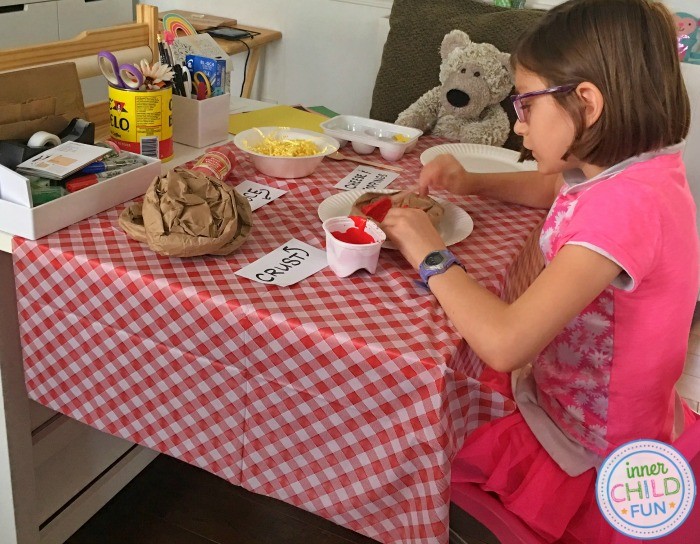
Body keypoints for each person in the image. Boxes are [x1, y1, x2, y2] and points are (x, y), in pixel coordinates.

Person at [380, 0, 699, 542]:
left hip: (594, 443)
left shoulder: (624, 211)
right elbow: (555, 188)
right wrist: (473, 181)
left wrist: (427, 249)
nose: (518, 123)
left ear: (587, 103)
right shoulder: (633, 169)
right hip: (595, 399)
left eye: (525, 105)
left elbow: (504, 344)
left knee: (437, 461)